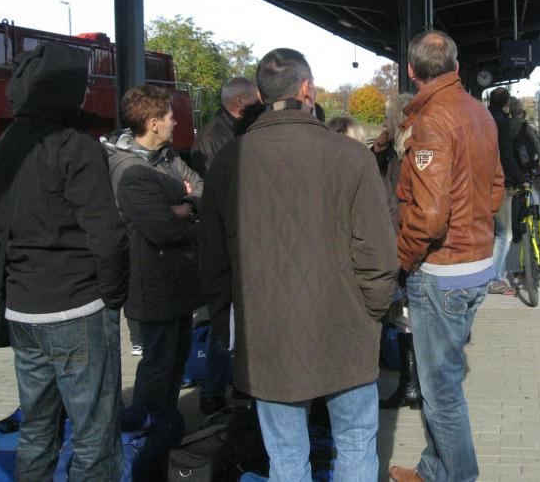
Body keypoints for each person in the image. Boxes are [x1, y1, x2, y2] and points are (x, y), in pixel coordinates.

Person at [200, 48, 397, 481]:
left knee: (286, 456)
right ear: (307, 89)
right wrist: (372, 311)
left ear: (261, 96)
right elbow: (379, 253)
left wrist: (226, 322)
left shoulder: (230, 160)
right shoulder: (353, 157)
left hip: (267, 335)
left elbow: (213, 260)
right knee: (356, 442)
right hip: (346, 326)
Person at [0, 43, 129, 481]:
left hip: (23, 309)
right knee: (94, 436)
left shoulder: (3, 147)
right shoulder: (75, 147)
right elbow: (107, 235)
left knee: (36, 428)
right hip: (75, 307)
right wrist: (112, 297)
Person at [389, 31, 504, 482]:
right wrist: (473, 226)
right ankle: (433, 469)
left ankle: (458, 476)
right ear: (456, 65)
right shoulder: (480, 111)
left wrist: (402, 259)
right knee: (444, 382)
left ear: (411, 71)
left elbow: (431, 215)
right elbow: (495, 188)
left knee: (441, 393)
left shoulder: (432, 120)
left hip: (441, 270)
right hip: (476, 263)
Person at [104, 84, 204, 412]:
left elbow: (201, 187)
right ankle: (147, 424)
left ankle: (165, 424)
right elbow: (163, 229)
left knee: (175, 359)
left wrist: (184, 205)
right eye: (171, 116)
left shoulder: (168, 156)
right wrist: (190, 213)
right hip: (153, 285)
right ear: (153, 123)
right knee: (159, 363)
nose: (176, 121)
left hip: (177, 281)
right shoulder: (129, 170)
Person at [190, 76, 260, 415]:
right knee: (223, 322)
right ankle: (214, 395)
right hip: (225, 244)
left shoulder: (225, 134)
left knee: (229, 321)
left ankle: (225, 391)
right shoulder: (215, 138)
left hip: (230, 240)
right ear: (241, 102)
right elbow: (217, 193)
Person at [373, 92, 421, 410]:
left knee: (406, 316)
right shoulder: (399, 152)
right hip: (408, 242)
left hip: (405, 243)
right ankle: (411, 384)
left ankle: (412, 385)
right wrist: (377, 153)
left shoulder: (407, 156)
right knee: (407, 318)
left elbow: (389, 194)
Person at [486, 87, 526, 295]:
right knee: (504, 234)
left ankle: (492, 275)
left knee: (490, 232)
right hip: (499, 183)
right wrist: (520, 179)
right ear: (506, 103)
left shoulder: (484, 117)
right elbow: (506, 156)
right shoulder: (502, 122)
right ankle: (494, 280)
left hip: (480, 182)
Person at [190, 77, 260, 178]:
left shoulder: (245, 129)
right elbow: (211, 183)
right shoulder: (209, 139)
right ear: (239, 101)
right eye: (257, 101)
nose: (261, 106)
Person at [509, 99, 540, 243]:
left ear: (510, 111)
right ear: (522, 111)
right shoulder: (526, 127)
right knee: (524, 197)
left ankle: (514, 229)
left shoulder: (504, 126)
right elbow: (537, 148)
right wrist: (536, 163)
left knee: (513, 199)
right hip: (524, 168)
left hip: (509, 169)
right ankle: (521, 226)